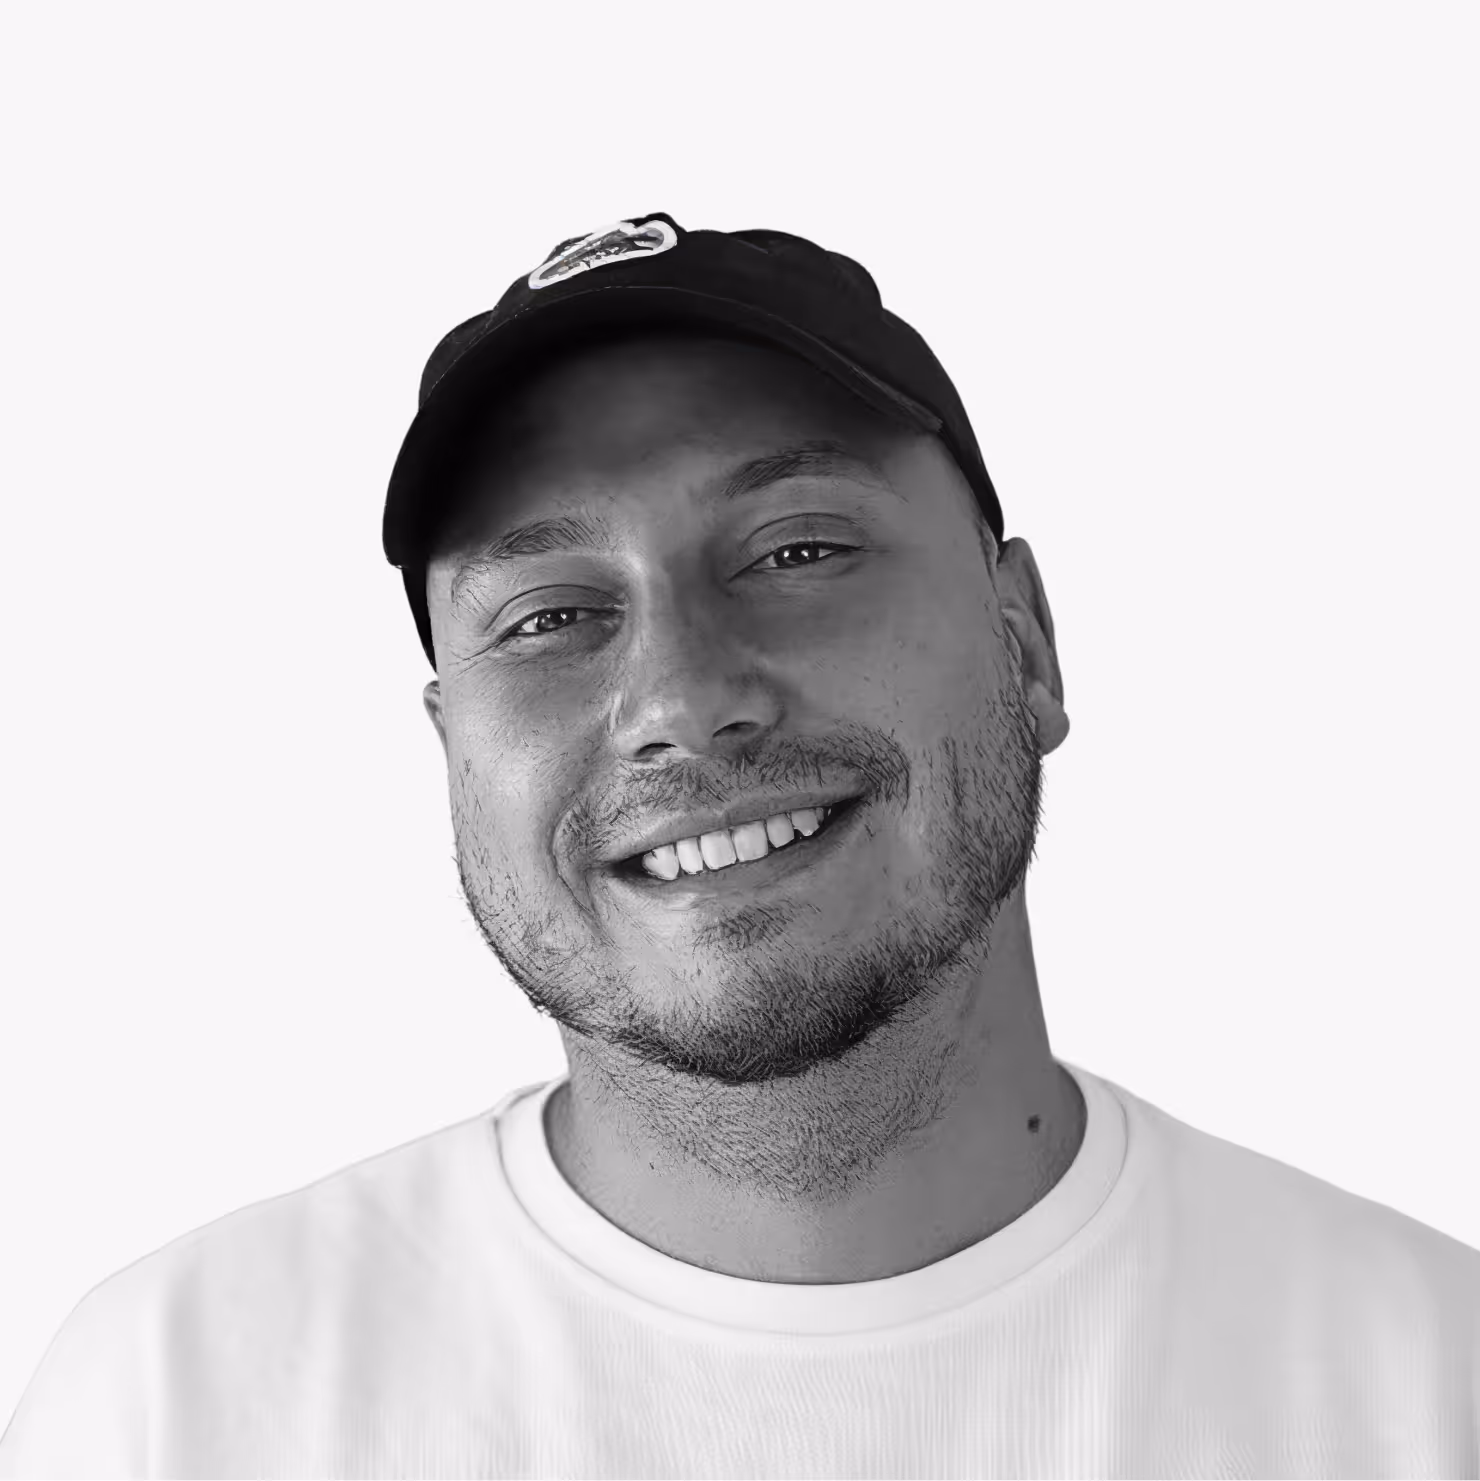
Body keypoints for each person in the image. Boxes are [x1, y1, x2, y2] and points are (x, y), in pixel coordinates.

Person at [3, 213, 1476, 1478]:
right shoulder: (180, 1406)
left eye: (799, 550)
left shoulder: (1423, 1392)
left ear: (1025, 643)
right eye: (553, 617)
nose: (683, 700)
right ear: (453, 749)